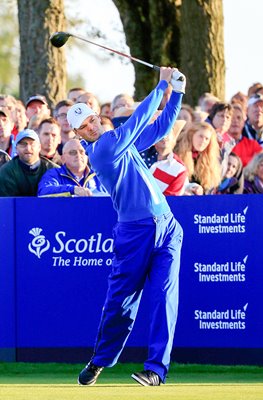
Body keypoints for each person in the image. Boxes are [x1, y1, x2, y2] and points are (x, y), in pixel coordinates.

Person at [67, 66, 186, 386]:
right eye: (84, 126)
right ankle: (100, 360)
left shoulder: (118, 138)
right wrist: (161, 85)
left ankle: (156, 371)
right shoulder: (104, 149)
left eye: (92, 119)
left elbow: (160, 127)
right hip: (135, 233)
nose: (91, 126)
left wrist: (177, 93)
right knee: (121, 303)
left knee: (164, 297)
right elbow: (137, 120)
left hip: (168, 226)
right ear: (79, 135)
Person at [38, 139, 107, 197]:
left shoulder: (98, 175)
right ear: (63, 159)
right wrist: (73, 190)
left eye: (82, 152)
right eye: (73, 152)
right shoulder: (54, 174)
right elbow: (43, 192)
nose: (78, 155)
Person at [0, 129, 57, 197]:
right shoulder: (7, 171)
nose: (28, 148)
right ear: (16, 148)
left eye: (32, 144)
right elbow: (8, 203)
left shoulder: (53, 170)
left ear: (39, 147)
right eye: (23, 144)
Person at [174, 121, 222, 194]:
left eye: (207, 139)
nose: (203, 141)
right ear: (191, 135)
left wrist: (200, 190)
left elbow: (207, 186)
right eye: (200, 136)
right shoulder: (177, 152)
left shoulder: (209, 159)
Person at [150, 120, 188, 195]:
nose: (164, 136)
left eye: (167, 132)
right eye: (160, 132)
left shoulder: (179, 169)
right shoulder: (139, 154)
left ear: (174, 136)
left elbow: (170, 200)